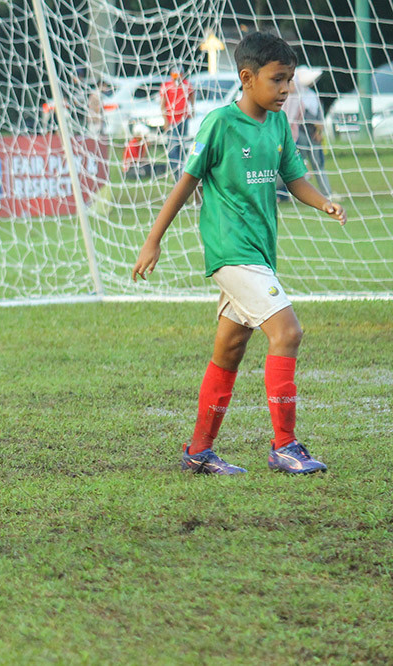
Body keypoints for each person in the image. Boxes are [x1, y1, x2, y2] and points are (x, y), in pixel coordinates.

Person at [132, 31, 347, 475]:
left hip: (259, 255)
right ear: (247, 78)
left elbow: (294, 178)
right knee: (287, 332)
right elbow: (184, 185)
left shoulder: (276, 126)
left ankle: (198, 451)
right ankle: (285, 446)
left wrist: (322, 201)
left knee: (229, 349)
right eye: (279, 80)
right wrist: (154, 240)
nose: (287, 90)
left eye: (289, 81)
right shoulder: (220, 125)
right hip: (231, 254)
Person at [293, 66, 333, 198]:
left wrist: (319, 130)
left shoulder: (312, 95)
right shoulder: (295, 96)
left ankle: (327, 192)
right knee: (297, 164)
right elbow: (298, 116)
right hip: (301, 134)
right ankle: (296, 193)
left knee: (318, 163)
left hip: (314, 135)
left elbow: (320, 115)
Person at [159, 69, 194, 179]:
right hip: (172, 121)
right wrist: (165, 120)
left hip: (183, 120)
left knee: (181, 147)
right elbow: (163, 104)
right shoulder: (167, 86)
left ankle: (181, 172)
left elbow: (192, 96)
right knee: (173, 147)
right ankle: (175, 172)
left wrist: (192, 109)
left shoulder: (186, 85)